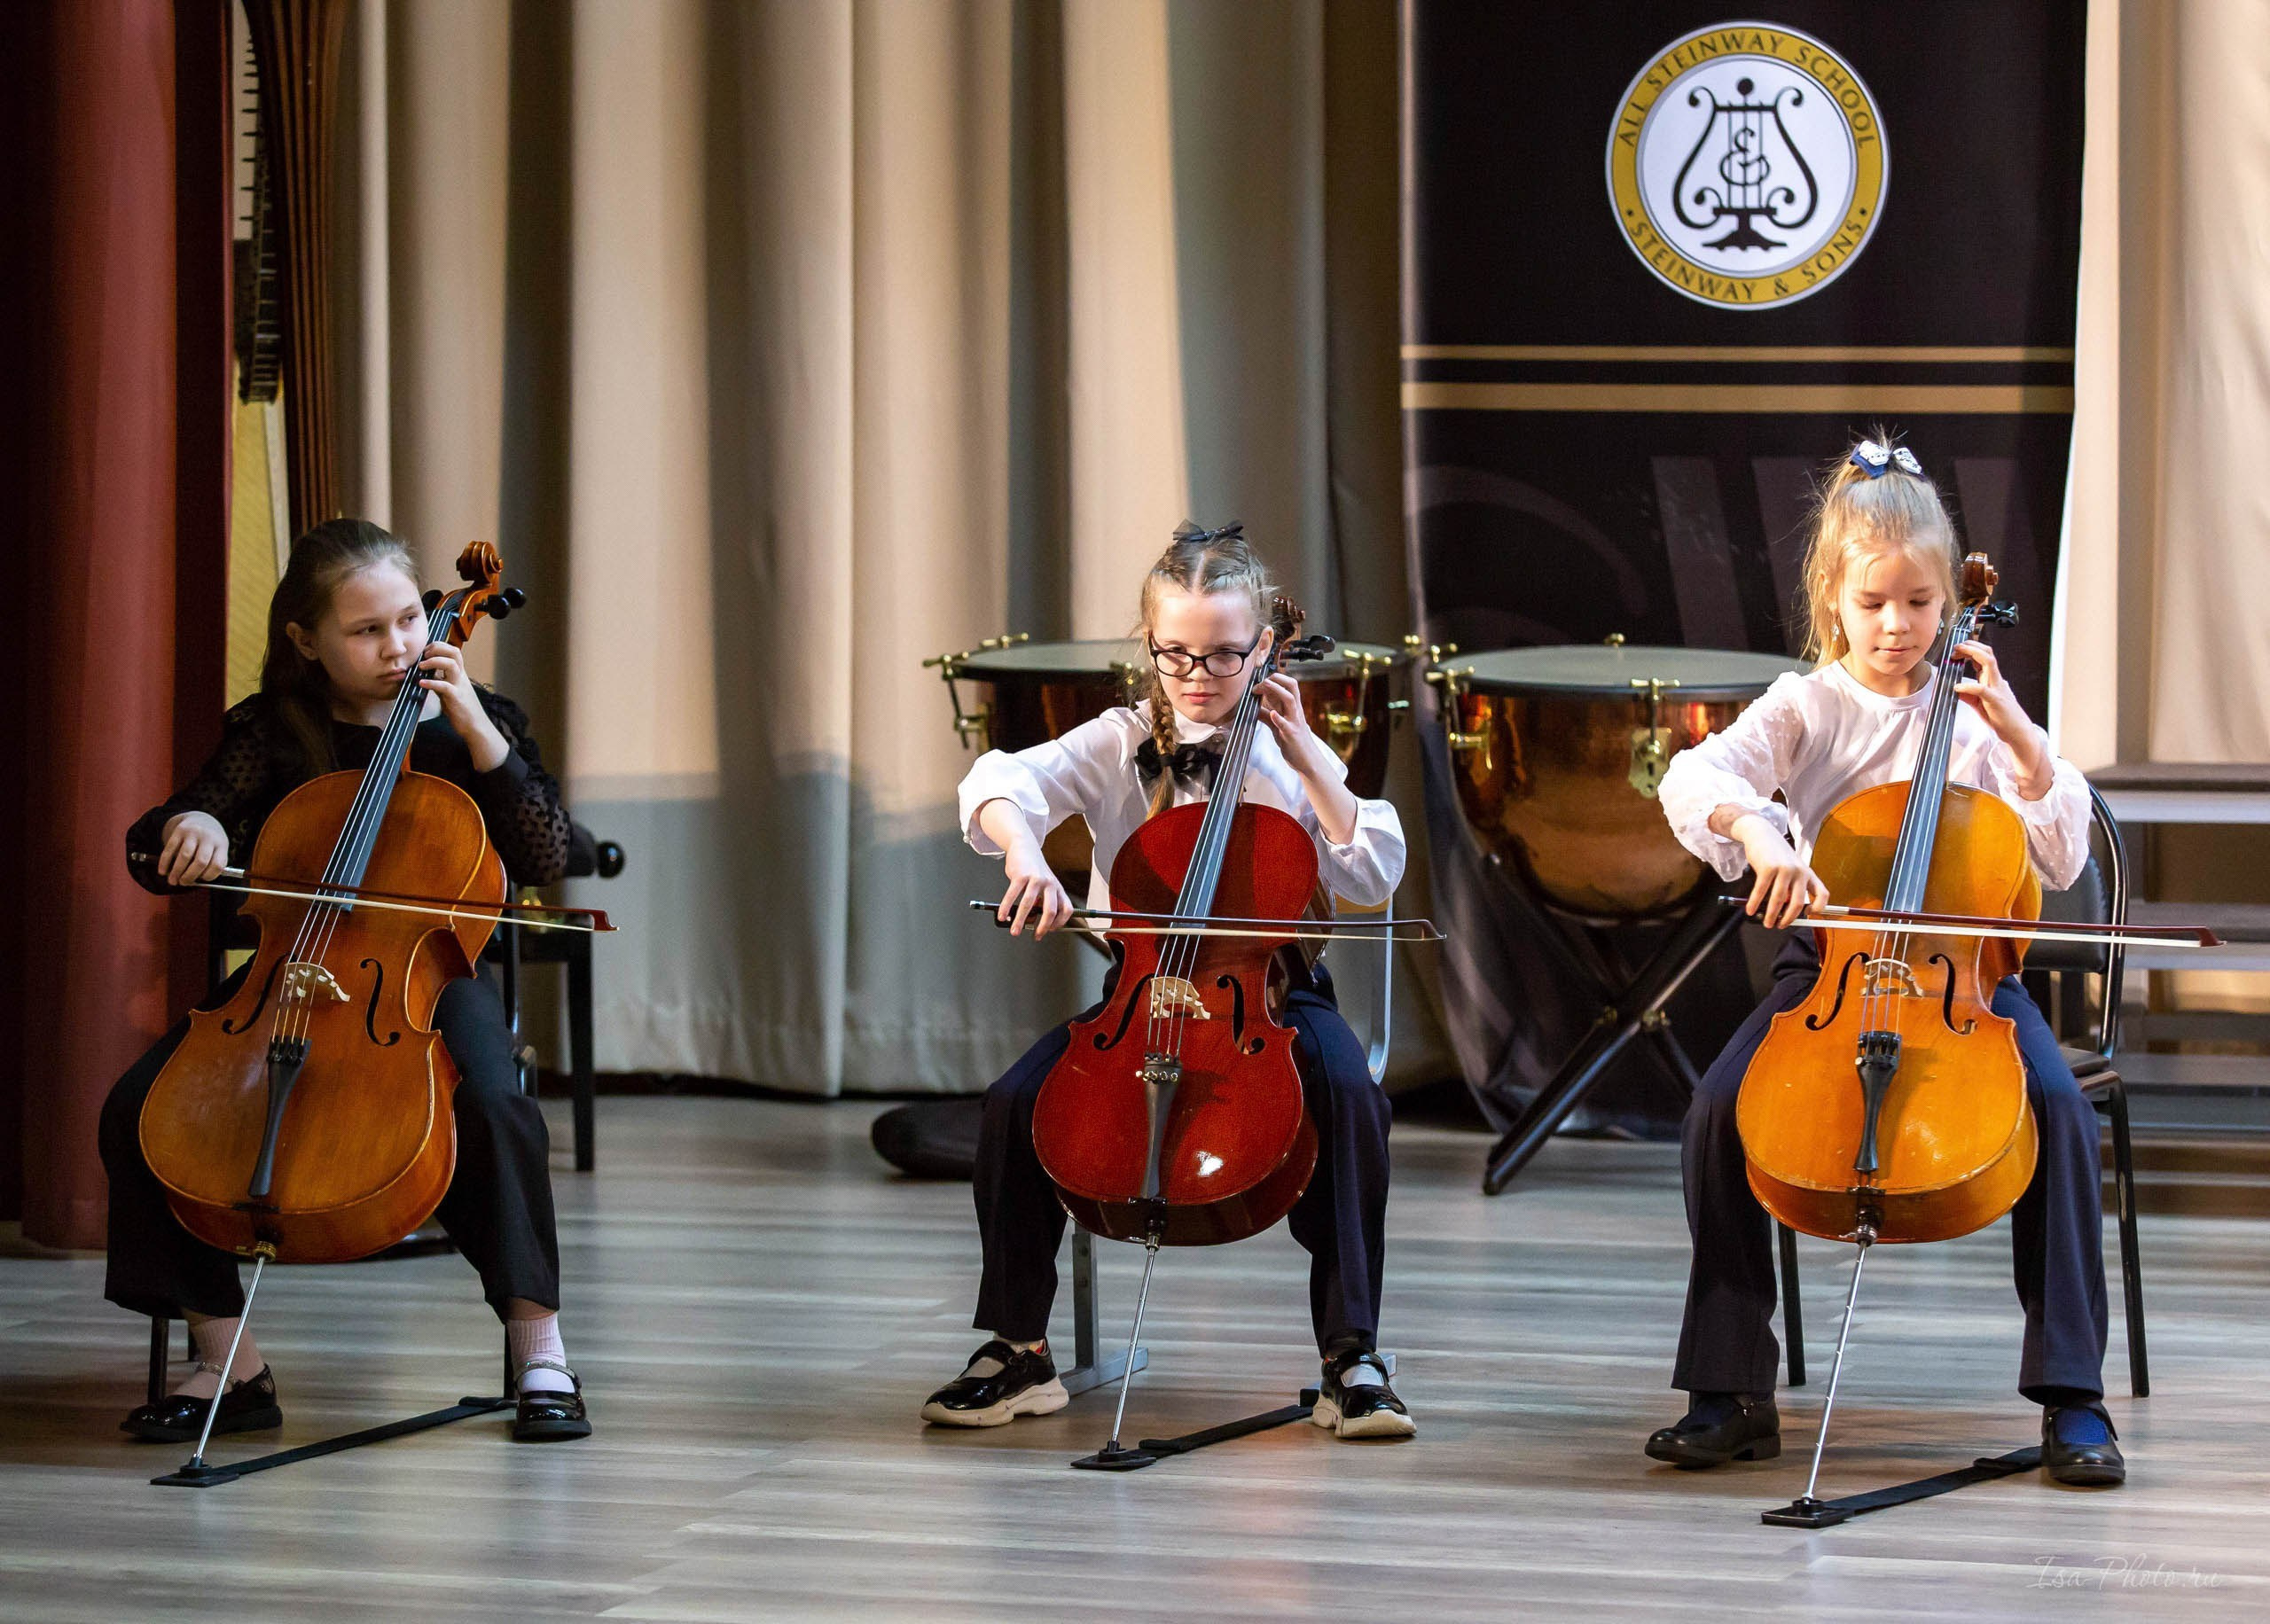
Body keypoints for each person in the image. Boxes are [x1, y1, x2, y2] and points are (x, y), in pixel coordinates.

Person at [1647, 436, 2122, 1487]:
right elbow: (1694, 778)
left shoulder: (1978, 714)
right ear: (1832, 599)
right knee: (1717, 1111)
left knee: (2055, 1110)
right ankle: (1729, 1389)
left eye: (1917, 602)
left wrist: (2022, 738)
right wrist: (1762, 832)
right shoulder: (1805, 705)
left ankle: (2072, 1398)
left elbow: (2061, 851)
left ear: (1951, 597)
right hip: (1829, 966)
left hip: (1970, 979)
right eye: (1873, 604)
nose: (1896, 627)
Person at [101, 519, 591, 1445]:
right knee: (136, 1111)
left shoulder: (476, 723)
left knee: (492, 1100)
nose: (400, 644)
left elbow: (544, 853)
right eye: (367, 630)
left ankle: (540, 1348)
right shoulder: (272, 731)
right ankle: (229, 1361)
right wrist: (198, 822)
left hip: (429, 978)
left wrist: (480, 730)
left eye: (409, 618)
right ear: (307, 640)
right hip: (288, 975)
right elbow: (151, 842)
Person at [921, 524, 1416, 1439]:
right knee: (1011, 1101)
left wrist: (1310, 758)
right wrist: (1025, 850)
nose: (1197, 674)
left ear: (1264, 645)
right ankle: (1017, 1347)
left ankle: (1352, 1355)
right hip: (1142, 992)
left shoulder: (1293, 755)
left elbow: (1369, 870)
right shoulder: (1119, 739)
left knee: (1350, 1095)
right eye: (1175, 652)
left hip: (1277, 995)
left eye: (1225, 654)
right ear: (1149, 644)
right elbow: (995, 780)